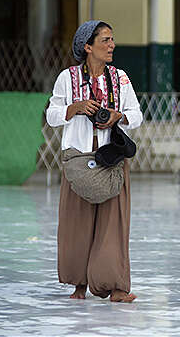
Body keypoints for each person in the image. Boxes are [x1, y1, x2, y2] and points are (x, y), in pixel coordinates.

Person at [46, 20, 142, 303]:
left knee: (114, 224)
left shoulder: (120, 77)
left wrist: (118, 116)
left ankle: (116, 287)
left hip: (111, 159)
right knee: (77, 223)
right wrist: (74, 108)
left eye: (112, 40)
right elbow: (51, 115)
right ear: (88, 47)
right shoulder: (68, 78)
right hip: (78, 160)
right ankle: (79, 284)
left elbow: (136, 115)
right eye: (105, 40)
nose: (112, 45)